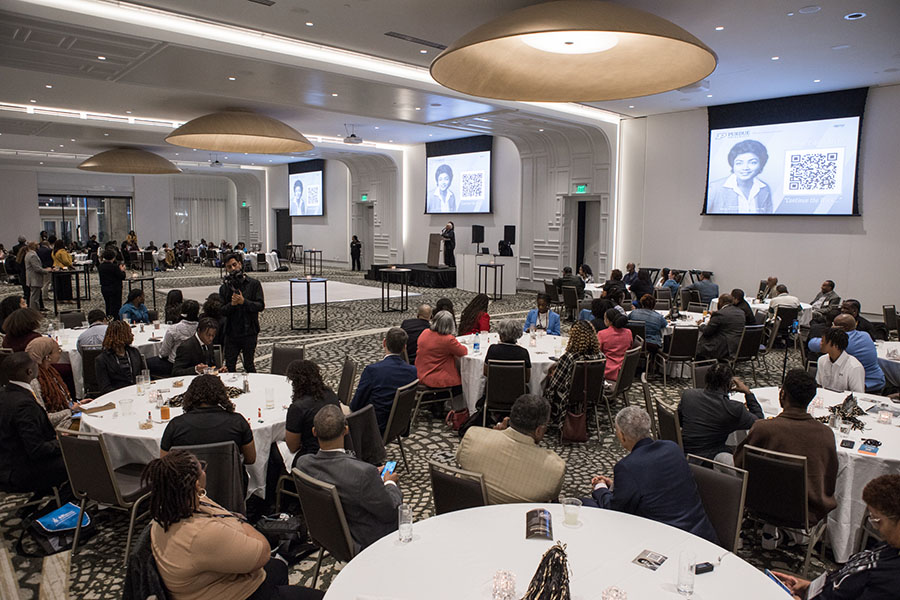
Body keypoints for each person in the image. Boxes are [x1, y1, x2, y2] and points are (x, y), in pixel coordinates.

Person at [144, 450, 323, 600]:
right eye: (202, 468)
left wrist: (235, 525)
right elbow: (262, 551)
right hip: (235, 594)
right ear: (197, 484)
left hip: (213, 581)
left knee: (278, 567)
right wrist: (240, 524)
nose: (205, 470)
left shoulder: (165, 514)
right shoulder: (200, 533)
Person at [582, 406, 718, 543]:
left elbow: (614, 509)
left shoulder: (627, 466)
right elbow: (655, 485)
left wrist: (600, 488)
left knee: (584, 504)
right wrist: (617, 486)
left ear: (622, 436)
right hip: (701, 534)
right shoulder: (672, 448)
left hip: (666, 541)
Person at [771, 474, 900, 600]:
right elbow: (846, 578)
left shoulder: (891, 582)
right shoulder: (890, 545)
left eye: (877, 520)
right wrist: (809, 588)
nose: (875, 527)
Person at [734, 369, 838, 525]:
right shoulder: (826, 434)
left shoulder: (763, 428)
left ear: (782, 394)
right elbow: (829, 481)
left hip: (759, 505)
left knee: (722, 457)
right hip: (804, 513)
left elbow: (739, 464)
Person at [294, 404, 402, 550]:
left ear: (314, 432)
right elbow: (391, 511)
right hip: (365, 542)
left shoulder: (303, 464)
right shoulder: (363, 474)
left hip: (328, 536)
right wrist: (390, 484)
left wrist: (371, 479)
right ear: (346, 430)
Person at [457, 394, 565, 504]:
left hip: (468, 513)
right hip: (516, 519)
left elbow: (460, 462)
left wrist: (494, 435)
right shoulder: (555, 468)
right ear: (539, 430)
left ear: (509, 418)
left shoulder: (472, 436)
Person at [0, 352, 69, 497]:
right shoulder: (24, 405)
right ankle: (48, 512)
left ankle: (32, 507)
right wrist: (62, 441)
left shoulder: (6, 394)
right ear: (29, 371)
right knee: (81, 461)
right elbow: (37, 449)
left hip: (8, 459)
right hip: (18, 470)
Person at [160, 375, 255, 466]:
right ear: (222, 395)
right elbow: (250, 459)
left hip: (189, 481)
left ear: (190, 395)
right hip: (230, 481)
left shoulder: (175, 425)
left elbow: (164, 463)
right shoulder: (237, 422)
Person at [678, 363, 763, 463]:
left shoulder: (688, 395)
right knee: (743, 453)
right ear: (729, 384)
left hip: (682, 451)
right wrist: (748, 393)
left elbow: (680, 421)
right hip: (707, 460)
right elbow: (759, 422)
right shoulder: (734, 409)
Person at [350, 328, 418, 434]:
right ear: (404, 347)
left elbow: (356, 405)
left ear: (384, 343)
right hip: (398, 426)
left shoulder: (372, 370)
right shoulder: (413, 372)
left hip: (374, 426)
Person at [543, 321, 603, 428]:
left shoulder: (570, 357)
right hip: (592, 393)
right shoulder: (600, 356)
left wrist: (551, 374)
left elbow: (556, 384)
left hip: (569, 395)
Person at [25, 337, 91, 428]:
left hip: (67, 416)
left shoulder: (50, 371)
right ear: (47, 357)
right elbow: (44, 417)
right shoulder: (35, 382)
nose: (60, 352)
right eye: (58, 350)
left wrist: (78, 405)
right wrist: (71, 411)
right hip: (59, 426)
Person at [285, 360, 342, 463]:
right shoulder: (330, 394)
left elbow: (292, 446)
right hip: (335, 448)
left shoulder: (298, 408)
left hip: (311, 455)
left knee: (274, 452)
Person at [809, 314, 884, 392]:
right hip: (873, 378)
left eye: (833, 325)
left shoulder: (846, 345)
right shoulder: (865, 335)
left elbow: (812, 344)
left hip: (863, 382)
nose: (821, 343)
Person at [219, 253, 265, 373]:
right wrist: (232, 305)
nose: (233, 269)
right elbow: (222, 310)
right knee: (229, 366)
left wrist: (244, 302)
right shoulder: (224, 288)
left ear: (240, 264)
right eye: (229, 267)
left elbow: (260, 306)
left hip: (249, 331)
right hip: (231, 333)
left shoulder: (254, 284)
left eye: (234, 265)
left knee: (249, 365)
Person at [707, 139, 772, 213]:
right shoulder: (715, 188)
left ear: (761, 164)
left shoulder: (765, 189)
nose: (745, 168)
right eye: (739, 163)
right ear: (733, 165)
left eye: (752, 162)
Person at [414, 310, 467, 393]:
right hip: (436, 378)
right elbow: (463, 352)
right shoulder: (448, 340)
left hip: (420, 372)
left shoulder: (425, 332)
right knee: (465, 384)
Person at [150, 300, 200, 378]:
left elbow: (164, 352)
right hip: (196, 362)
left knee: (146, 362)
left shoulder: (173, 329)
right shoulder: (201, 328)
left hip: (174, 364)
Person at [95, 320, 145, 394]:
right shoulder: (102, 360)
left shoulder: (134, 352)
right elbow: (105, 388)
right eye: (129, 333)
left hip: (138, 392)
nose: (132, 335)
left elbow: (143, 374)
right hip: (117, 396)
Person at [696, 293, 746, 361]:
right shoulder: (741, 312)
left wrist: (701, 324)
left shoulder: (720, 314)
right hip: (738, 347)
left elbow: (707, 331)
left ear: (721, 302)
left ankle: (702, 367)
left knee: (699, 344)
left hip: (723, 348)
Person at [816, 327, 865, 393]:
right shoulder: (822, 360)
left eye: (823, 341)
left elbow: (858, 395)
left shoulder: (854, 367)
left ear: (835, 345)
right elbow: (819, 385)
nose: (820, 343)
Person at [597, 309, 633, 382]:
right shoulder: (628, 332)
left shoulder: (602, 334)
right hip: (624, 370)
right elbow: (630, 347)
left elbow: (598, 351)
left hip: (607, 371)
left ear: (608, 320)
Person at [98, 248, 127, 316]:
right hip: (115, 288)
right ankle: (115, 320)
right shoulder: (114, 267)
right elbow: (122, 276)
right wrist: (122, 270)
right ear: (113, 257)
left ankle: (109, 318)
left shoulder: (101, 266)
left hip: (105, 287)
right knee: (115, 307)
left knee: (108, 305)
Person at [24, 242, 49, 310]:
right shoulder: (33, 255)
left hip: (31, 278)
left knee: (34, 296)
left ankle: (34, 310)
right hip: (34, 278)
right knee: (35, 298)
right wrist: (47, 271)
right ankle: (34, 311)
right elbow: (37, 268)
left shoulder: (28, 254)